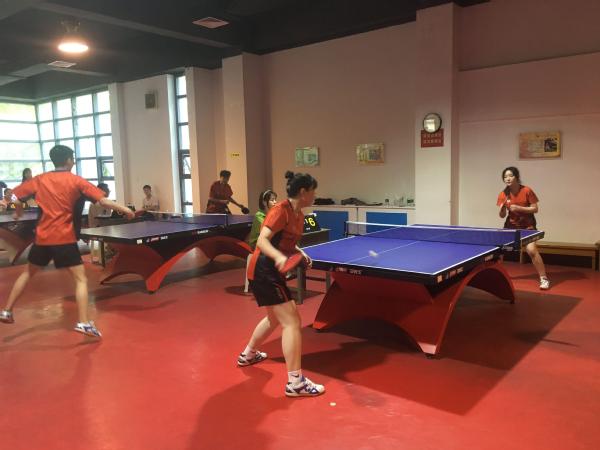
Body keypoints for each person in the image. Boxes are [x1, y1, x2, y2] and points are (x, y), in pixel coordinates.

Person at [0, 145, 135, 337]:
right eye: (73, 158)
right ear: (69, 160)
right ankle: (84, 323)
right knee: (81, 279)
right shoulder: (76, 181)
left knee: (28, 273)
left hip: (42, 238)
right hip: (64, 237)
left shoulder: (40, 179)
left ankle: (6, 310)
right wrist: (126, 210)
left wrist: (18, 212)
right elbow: (103, 201)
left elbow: (13, 196)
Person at [238, 171, 325, 398]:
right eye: (313, 191)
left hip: (270, 271)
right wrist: (278, 257)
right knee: (292, 321)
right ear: (303, 192)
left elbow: (287, 242)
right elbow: (262, 241)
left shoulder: (298, 215)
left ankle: (248, 354)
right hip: (264, 270)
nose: (315, 195)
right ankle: (295, 382)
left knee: (274, 318)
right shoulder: (280, 210)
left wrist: (300, 253)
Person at [497, 166, 550, 290]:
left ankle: (544, 278)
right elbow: (502, 215)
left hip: (528, 227)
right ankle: (498, 277)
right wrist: (502, 210)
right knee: (498, 251)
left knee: (531, 251)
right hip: (510, 227)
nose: (508, 178)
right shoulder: (503, 194)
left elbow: (535, 209)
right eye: (505, 177)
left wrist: (519, 208)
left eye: (510, 176)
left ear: (517, 177)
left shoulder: (527, 190)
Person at [244, 189, 278, 294]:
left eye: (275, 199)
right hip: (257, 244)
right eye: (272, 200)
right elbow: (270, 229)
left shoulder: (273, 214)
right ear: (264, 202)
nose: (275, 202)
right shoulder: (259, 215)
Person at [87, 183, 112, 264]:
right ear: (102, 191)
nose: (109, 191)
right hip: (96, 228)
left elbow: (107, 217)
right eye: (107, 189)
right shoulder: (95, 203)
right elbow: (99, 219)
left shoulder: (106, 202)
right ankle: (106, 253)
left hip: (104, 227)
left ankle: (109, 251)